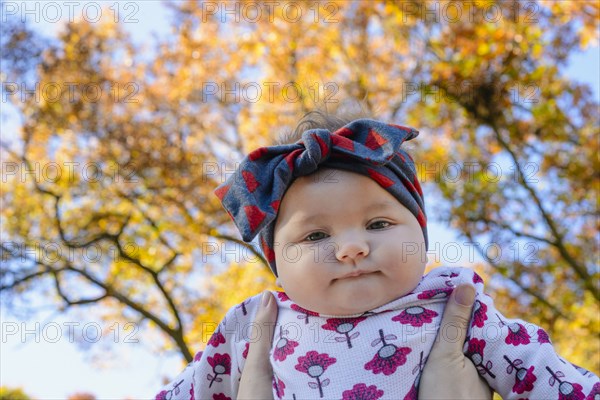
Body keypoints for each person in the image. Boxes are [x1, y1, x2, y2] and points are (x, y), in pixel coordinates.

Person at [156, 114, 599, 399]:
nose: (352, 247)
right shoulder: (256, 325)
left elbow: (542, 374)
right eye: (315, 235)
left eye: (378, 225)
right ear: (277, 264)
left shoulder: (455, 305)